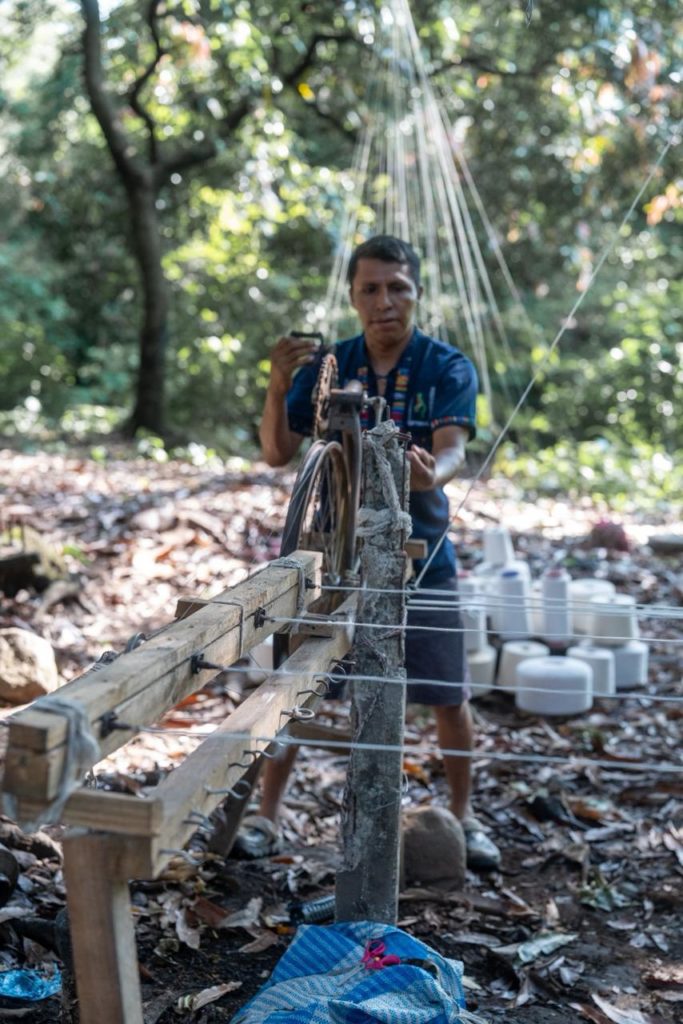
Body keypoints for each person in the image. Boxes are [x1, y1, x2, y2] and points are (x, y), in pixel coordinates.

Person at [248, 234, 500, 871]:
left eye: (398, 287)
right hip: (333, 554)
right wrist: (279, 384)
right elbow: (279, 453)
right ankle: (265, 817)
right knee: (296, 684)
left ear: (415, 292)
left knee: (446, 693)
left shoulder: (447, 366)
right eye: (371, 289)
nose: (385, 301)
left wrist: (429, 475)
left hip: (424, 554)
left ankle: (465, 819)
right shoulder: (330, 365)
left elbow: (452, 451)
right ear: (355, 297)